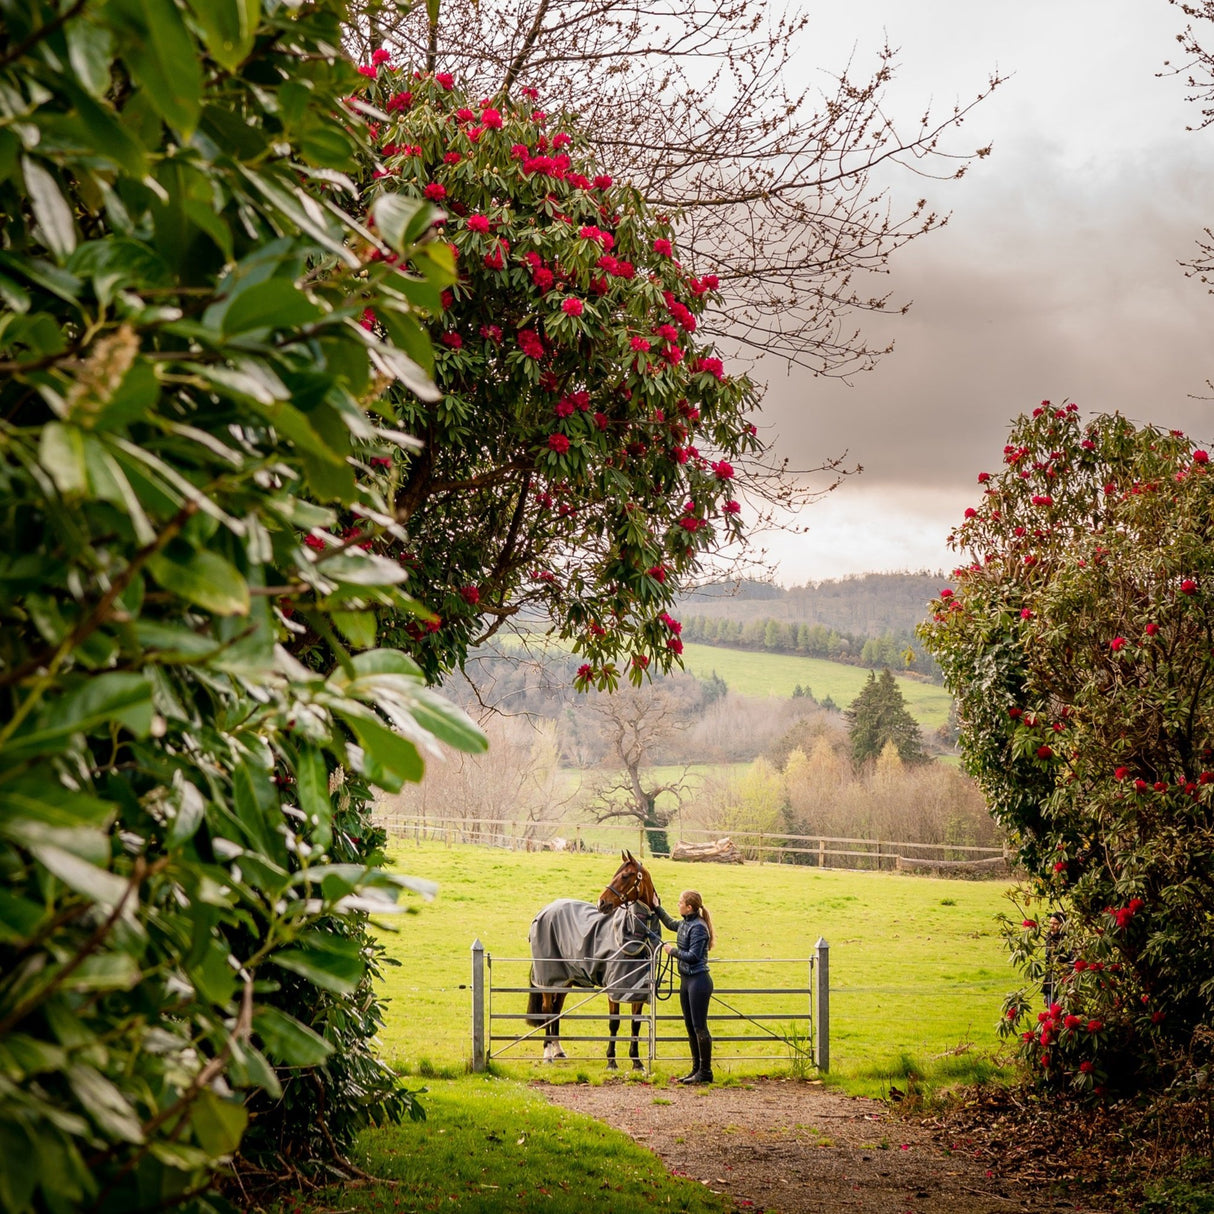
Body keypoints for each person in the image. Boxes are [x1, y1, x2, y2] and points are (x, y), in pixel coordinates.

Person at [654, 889, 715, 1084]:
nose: (678, 904)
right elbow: (671, 923)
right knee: (690, 1027)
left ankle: (705, 1071)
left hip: (699, 981)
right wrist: (656, 907)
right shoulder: (686, 923)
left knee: (699, 1026)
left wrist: (673, 951)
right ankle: (696, 1069)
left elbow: (694, 956)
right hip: (687, 980)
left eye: (680, 902)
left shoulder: (698, 927)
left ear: (689, 907)